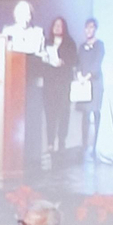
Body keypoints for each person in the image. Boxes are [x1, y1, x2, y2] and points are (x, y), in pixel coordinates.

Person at [40, 16, 77, 156]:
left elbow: (74, 60)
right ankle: (50, 143)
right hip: (49, 83)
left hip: (63, 83)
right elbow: (41, 60)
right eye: (55, 25)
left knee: (63, 113)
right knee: (50, 114)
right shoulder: (46, 42)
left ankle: (61, 141)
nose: (57, 27)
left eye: (60, 25)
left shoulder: (69, 43)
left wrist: (64, 62)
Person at [75, 18, 105, 157]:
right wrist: (80, 75)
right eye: (86, 27)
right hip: (83, 84)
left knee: (96, 112)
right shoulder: (81, 47)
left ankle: (96, 145)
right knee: (85, 114)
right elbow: (78, 62)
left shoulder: (100, 45)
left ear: (95, 29)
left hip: (95, 83)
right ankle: (84, 144)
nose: (88, 30)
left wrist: (88, 76)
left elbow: (97, 63)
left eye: (91, 27)